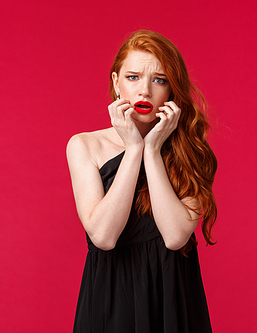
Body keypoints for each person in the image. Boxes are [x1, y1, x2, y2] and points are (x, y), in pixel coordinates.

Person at [67, 30, 217, 333]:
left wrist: (151, 149)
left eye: (159, 80)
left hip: (173, 300)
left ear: (172, 90)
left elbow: (175, 236)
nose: (145, 91)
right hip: (110, 301)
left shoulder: (192, 152)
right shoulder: (84, 146)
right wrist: (133, 148)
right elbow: (104, 237)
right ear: (116, 82)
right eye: (133, 77)